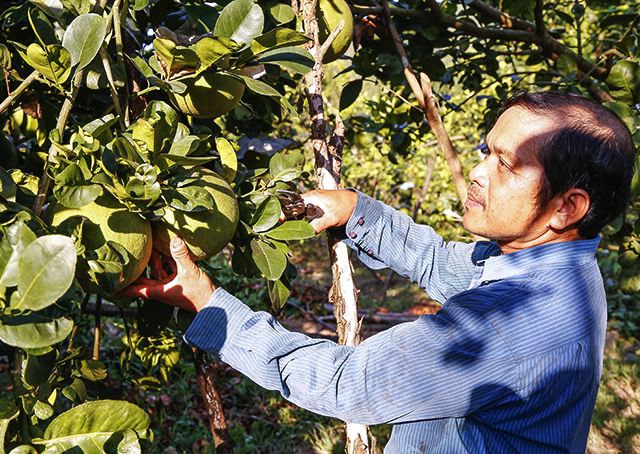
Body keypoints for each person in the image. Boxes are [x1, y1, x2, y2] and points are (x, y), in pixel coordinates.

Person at [117, 90, 635, 453]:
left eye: (507, 164)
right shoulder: (549, 268)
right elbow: (438, 261)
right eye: (485, 152)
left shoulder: (514, 321)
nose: (477, 172)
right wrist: (354, 209)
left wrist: (211, 307)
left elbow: (348, 384)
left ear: (568, 207)